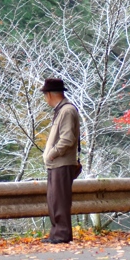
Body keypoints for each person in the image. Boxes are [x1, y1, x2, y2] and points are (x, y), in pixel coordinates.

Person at [40, 77, 81, 244]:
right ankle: (57, 233)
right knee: (55, 200)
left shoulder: (67, 110)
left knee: (60, 200)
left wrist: (52, 153)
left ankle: (62, 234)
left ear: (49, 94)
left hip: (62, 163)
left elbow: (67, 139)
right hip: (57, 164)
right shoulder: (61, 110)